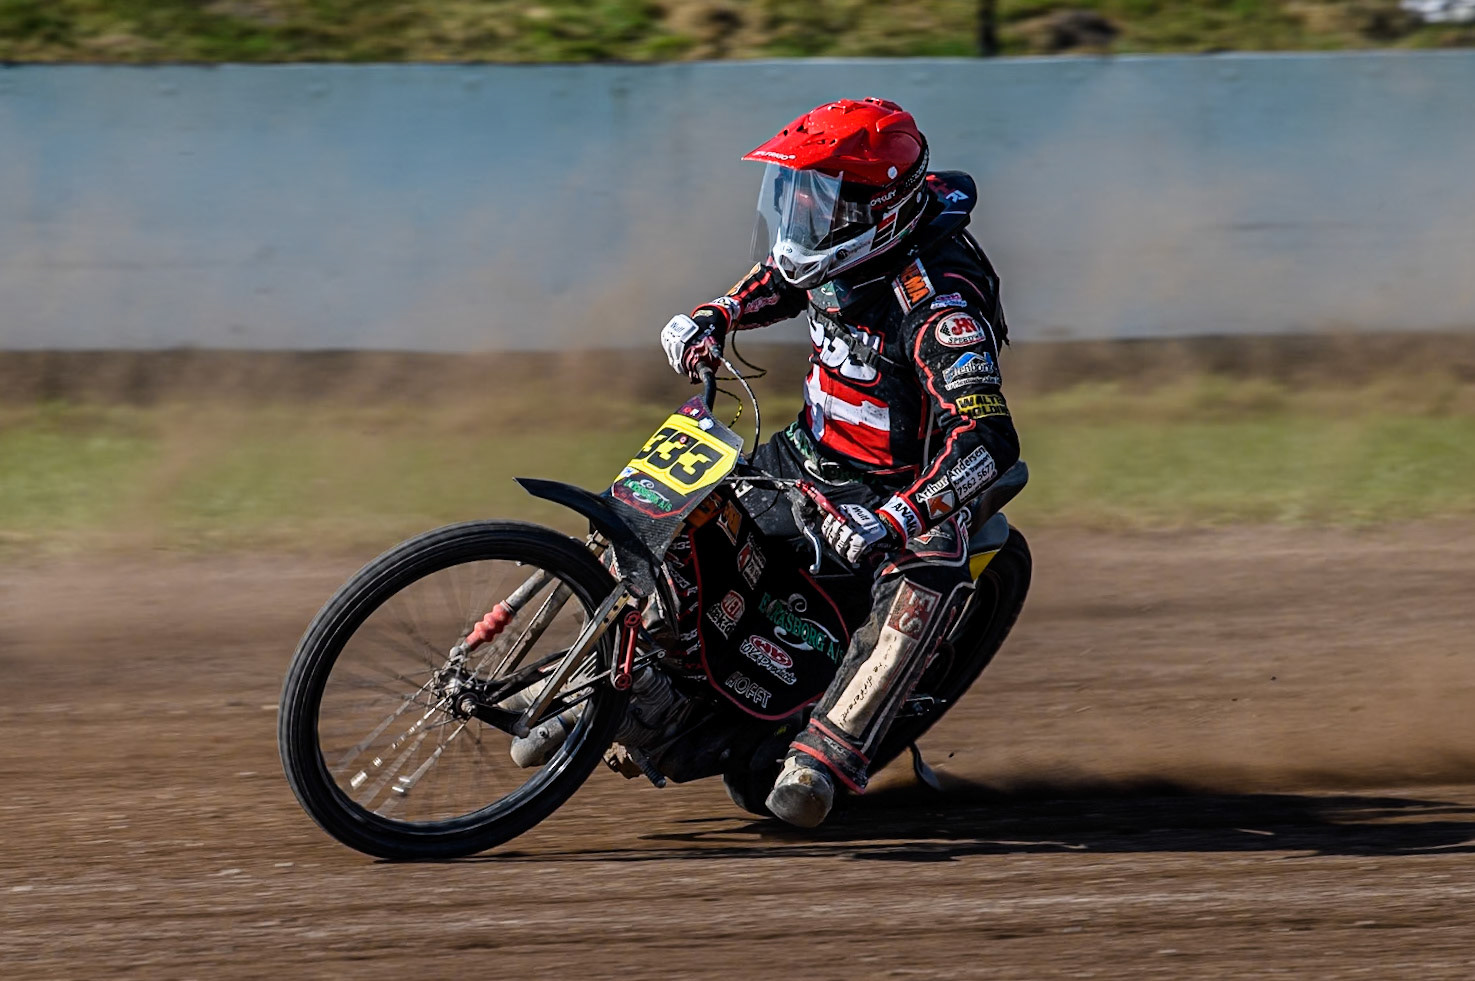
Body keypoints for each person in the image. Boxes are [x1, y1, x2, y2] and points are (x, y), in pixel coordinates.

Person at [660, 97, 1020, 827]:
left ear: (874, 208)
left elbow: (988, 441)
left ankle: (823, 759)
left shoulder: (938, 301)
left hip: (900, 493)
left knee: (921, 587)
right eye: (790, 196)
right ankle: (598, 672)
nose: (797, 217)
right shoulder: (841, 242)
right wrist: (716, 315)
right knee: (669, 509)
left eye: (816, 199)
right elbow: (785, 275)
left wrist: (899, 515)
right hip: (803, 456)